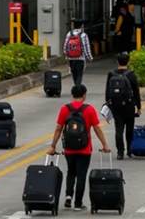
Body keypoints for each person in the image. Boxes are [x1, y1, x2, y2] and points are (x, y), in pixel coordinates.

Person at [47, 84, 112, 212]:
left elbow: (58, 128)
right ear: (84, 95)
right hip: (84, 149)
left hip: (69, 149)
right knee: (81, 175)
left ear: (72, 95)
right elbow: (97, 129)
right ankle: (78, 203)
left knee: (71, 172)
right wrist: (104, 145)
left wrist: (53, 146)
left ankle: (68, 196)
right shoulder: (89, 109)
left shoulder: (65, 109)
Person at [105, 52, 141, 159]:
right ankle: (129, 150)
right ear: (128, 61)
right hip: (129, 106)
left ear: (117, 62)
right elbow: (136, 92)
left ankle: (120, 152)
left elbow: (107, 92)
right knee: (129, 129)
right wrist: (138, 107)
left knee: (118, 129)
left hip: (116, 106)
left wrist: (109, 105)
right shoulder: (131, 74)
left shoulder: (111, 74)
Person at [64, 20, 92, 87]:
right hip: (80, 59)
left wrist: (67, 56)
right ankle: (77, 88)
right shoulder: (84, 35)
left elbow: (65, 47)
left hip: (71, 59)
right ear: (82, 26)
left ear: (73, 26)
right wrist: (89, 57)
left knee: (74, 75)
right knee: (79, 75)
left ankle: (76, 87)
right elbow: (86, 47)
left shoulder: (69, 34)